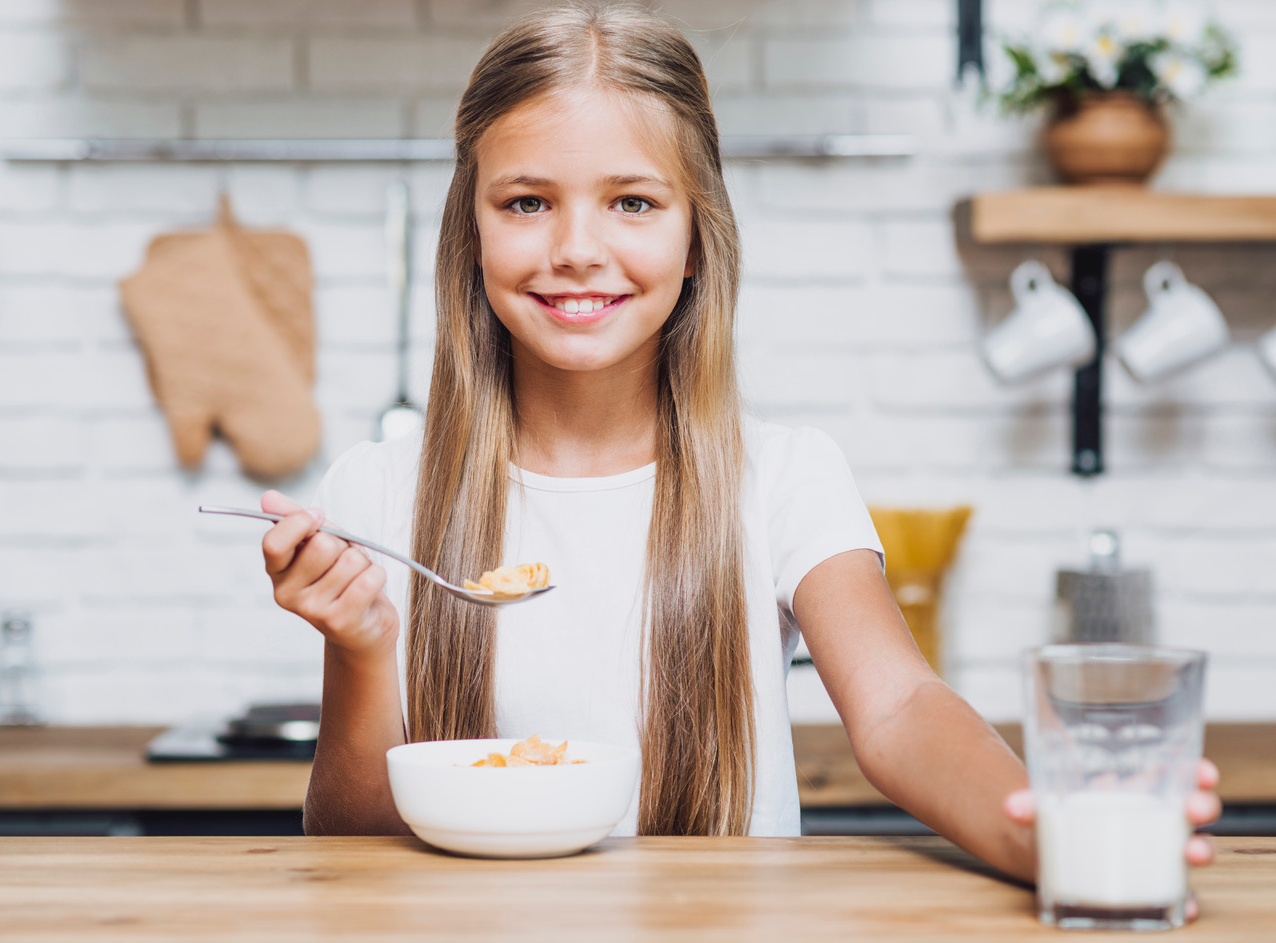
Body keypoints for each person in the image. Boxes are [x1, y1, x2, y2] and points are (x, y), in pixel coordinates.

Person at [258, 0, 1219, 901]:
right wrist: (363, 651)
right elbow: (348, 839)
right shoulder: (378, 492)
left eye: (632, 202)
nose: (577, 248)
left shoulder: (787, 479)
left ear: (697, 238)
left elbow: (896, 709)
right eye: (526, 203)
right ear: (471, 232)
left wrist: (1037, 830)